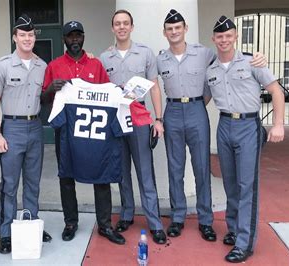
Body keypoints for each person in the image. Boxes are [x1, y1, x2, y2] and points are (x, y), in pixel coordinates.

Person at [157, 9, 267, 241]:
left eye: (178, 28)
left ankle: (205, 220)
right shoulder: (160, 58)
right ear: (165, 33)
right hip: (173, 111)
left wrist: (258, 58)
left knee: (201, 168)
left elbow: (228, 59)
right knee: (175, 168)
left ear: (185, 29)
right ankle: (178, 217)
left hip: (197, 109)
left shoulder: (204, 53)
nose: (174, 32)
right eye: (170, 29)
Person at [206, 15, 285, 263]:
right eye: (220, 36)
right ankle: (233, 229)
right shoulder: (211, 68)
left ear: (236, 36)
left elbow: (276, 91)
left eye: (228, 35)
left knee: (246, 186)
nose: (224, 40)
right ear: (214, 39)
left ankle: (245, 243)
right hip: (225, 124)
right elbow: (204, 99)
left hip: (248, 125)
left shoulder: (253, 62)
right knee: (229, 183)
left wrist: (279, 125)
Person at [42, 20, 125, 245]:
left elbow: (109, 96)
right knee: (66, 176)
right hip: (67, 134)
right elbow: (43, 99)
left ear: (84, 37)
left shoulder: (96, 65)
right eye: (71, 36)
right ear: (64, 40)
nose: (75, 40)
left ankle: (105, 224)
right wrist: (51, 89)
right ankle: (71, 222)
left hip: (95, 134)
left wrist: (119, 93)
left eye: (79, 35)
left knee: (102, 176)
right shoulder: (54, 66)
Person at [99, 9, 166, 244]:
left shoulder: (145, 53)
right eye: (117, 23)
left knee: (145, 172)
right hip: (115, 120)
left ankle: (155, 222)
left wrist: (158, 119)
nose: (121, 27)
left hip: (138, 117)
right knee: (122, 171)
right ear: (112, 28)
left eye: (125, 23)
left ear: (132, 27)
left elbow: (155, 87)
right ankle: (126, 214)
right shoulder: (104, 58)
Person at [0, 14, 52, 255]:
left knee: (33, 182)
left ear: (34, 37)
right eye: (22, 34)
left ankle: (31, 223)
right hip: (12, 128)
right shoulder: (3, 65)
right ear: (15, 37)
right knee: (9, 183)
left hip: (35, 127)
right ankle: (5, 232)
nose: (27, 38)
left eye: (31, 35)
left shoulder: (42, 66)